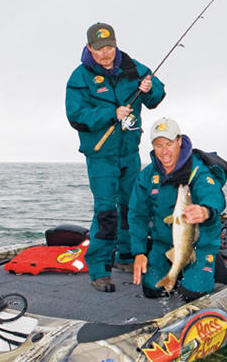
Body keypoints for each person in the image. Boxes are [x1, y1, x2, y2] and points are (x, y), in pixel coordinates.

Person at [66, 22, 165, 292]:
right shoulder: (80, 77)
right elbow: (76, 117)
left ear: (116, 44)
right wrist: (111, 114)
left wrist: (150, 87)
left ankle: (126, 256)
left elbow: (156, 97)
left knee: (133, 206)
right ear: (89, 48)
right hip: (101, 155)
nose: (105, 53)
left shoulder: (132, 67)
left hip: (129, 152)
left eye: (109, 47)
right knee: (106, 211)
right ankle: (99, 269)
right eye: (99, 49)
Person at [129, 117, 227, 301]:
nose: (164, 151)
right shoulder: (147, 176)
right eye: (158, 145)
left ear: (179, 141)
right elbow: (137, 215)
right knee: (152, 290)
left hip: (200, 245)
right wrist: (139, 252)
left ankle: (204, 273)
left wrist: (205, 211)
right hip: (164, 244)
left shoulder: (198, 170)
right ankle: (175, 274)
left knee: (193, 295)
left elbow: (213, 196)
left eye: (169, 144)